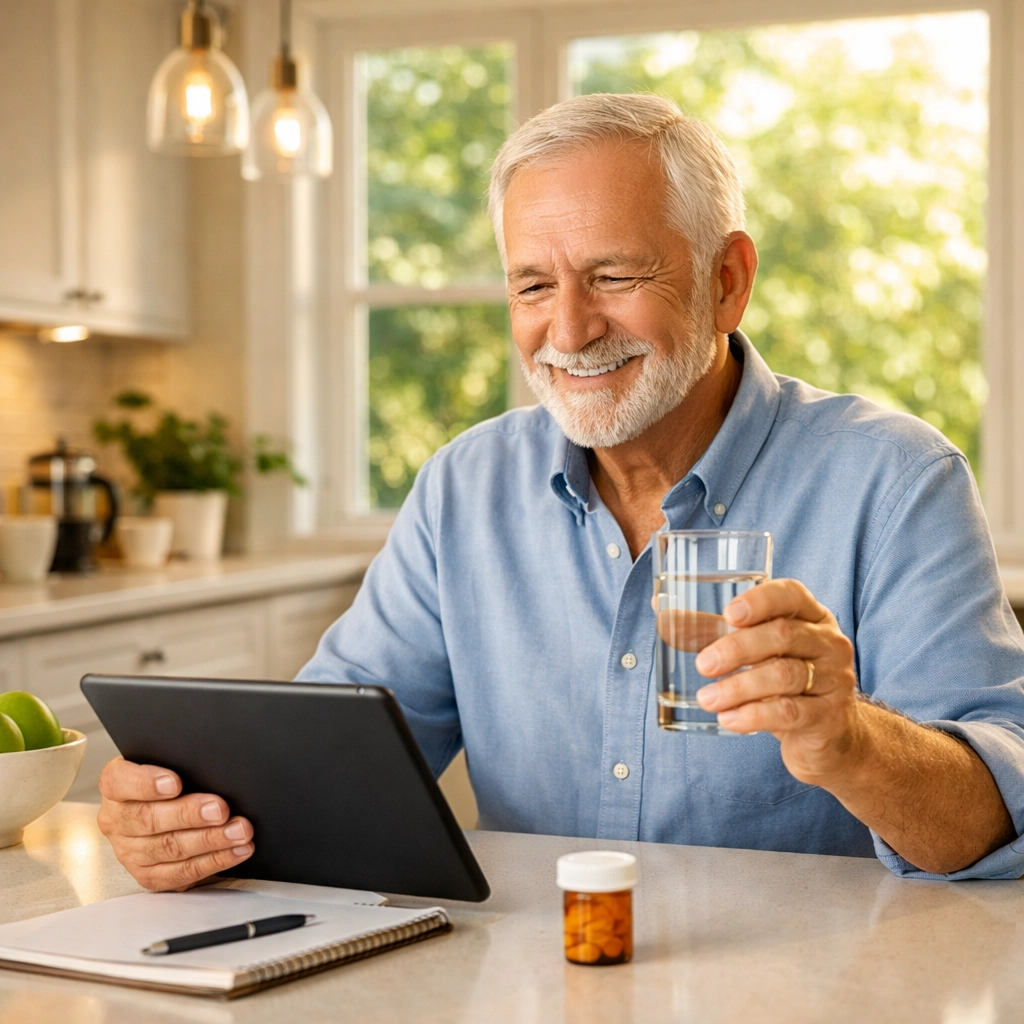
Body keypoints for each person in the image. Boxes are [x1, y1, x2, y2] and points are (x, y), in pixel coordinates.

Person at [98, 94, 1024, 891]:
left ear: (727, 281)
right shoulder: (465, 488)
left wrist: (850, 742)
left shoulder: (894, 479)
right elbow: (323, 771)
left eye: (615, 276)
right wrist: (188, 819)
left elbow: (993, 826)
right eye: (534, 285)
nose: (570, 331)